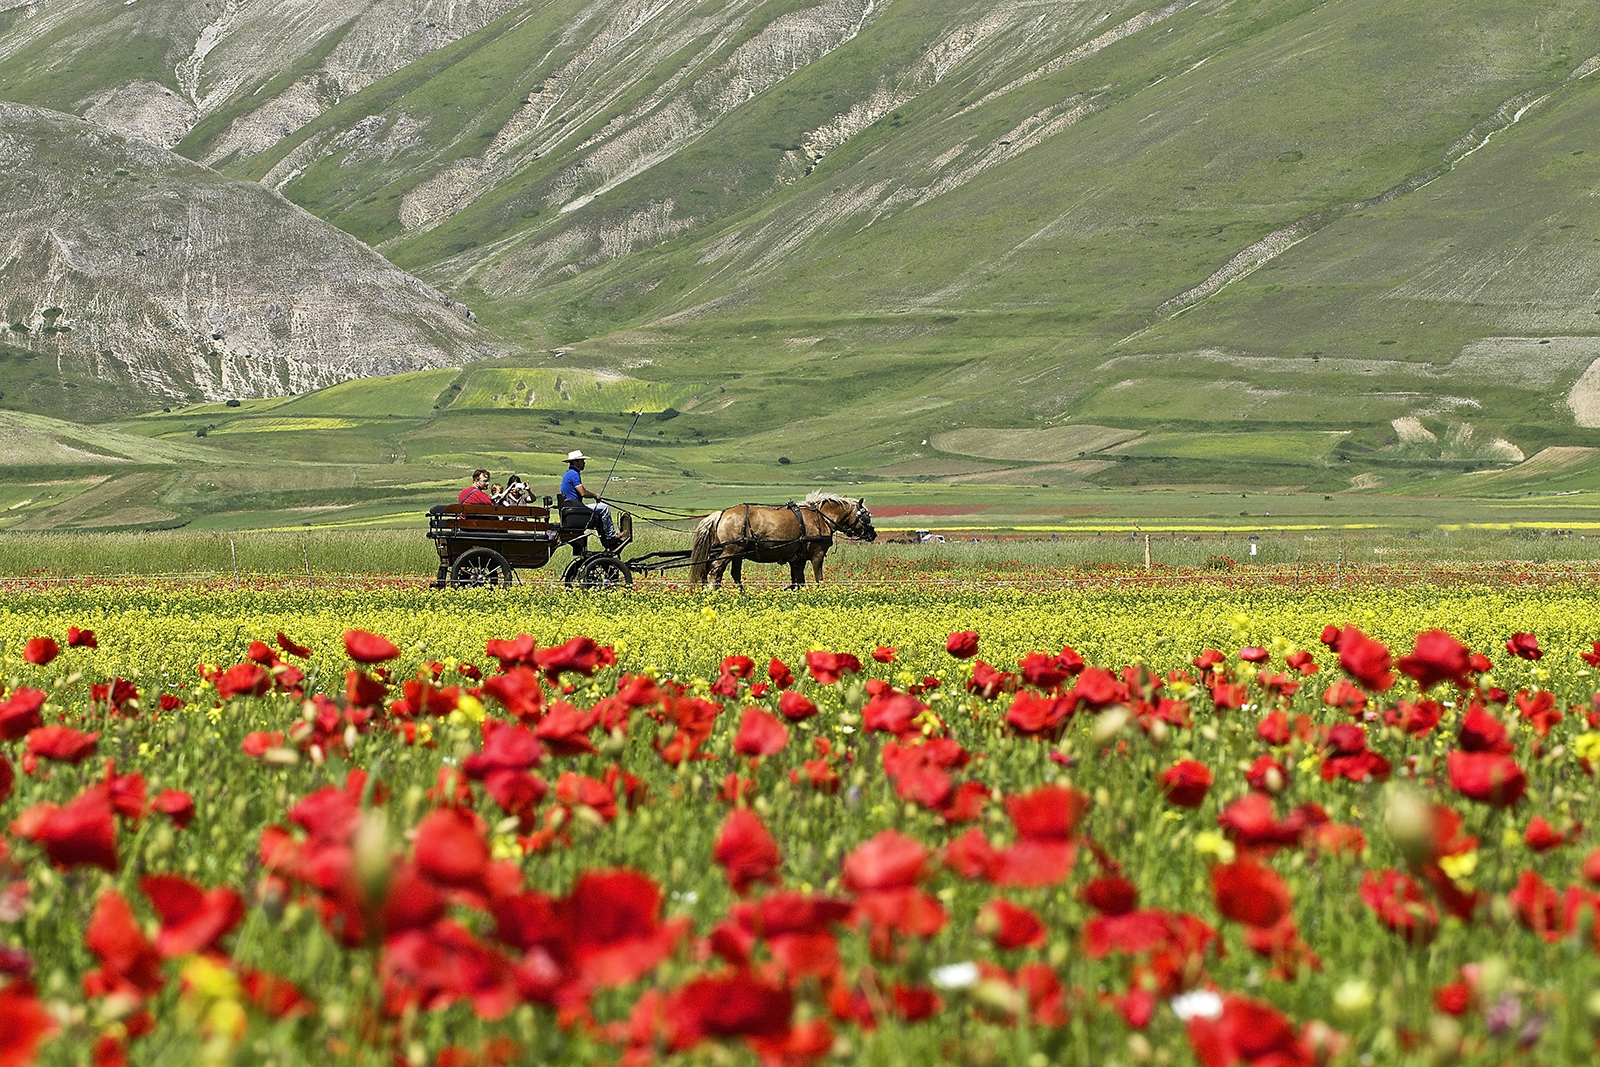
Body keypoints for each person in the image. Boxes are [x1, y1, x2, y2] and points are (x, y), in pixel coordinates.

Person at [558, 450, 619, 548]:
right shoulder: (574, 474)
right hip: (576, 509)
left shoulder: (568, 473)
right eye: (582, 461)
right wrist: (595, 495)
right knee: (604, 508)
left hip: (573, 508)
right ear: (575, 462)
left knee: (599, 513)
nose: (584, 463)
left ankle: (607, 541)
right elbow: (583, 493)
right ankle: (611, 537)